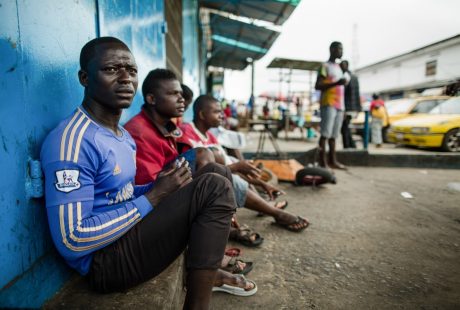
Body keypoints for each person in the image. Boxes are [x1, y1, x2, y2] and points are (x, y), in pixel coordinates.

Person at [40, 37, 238, 308]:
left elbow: (121, 196)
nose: (125, 79)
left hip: (129, 235)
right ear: (85, 78)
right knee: (213, 188)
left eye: (131, 71)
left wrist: (158, 187)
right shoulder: (72, 141)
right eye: (111, 70)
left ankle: (207, 268)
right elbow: (73, 239)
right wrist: (153, 197)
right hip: (105, 263)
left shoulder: (122, 136)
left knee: (214, 170)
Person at [124, 69, 257, 295]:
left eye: (182, 94)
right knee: (205, 159)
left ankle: (213, 253)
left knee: (214, 168)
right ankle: (208, 264)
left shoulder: (165, 125)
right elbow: (153, 189)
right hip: (148, 209)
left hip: (165, 193)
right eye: (174, 94)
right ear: (151, 99)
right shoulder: (139, 132)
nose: (182, 99)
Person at [177, 94, 310, 233]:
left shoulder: (209, 136)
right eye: (217, 112)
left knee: (233, 166)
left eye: (221, 111)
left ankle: (265, 205)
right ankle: (276, 213)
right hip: (196, 187)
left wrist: (261, 183)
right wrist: (236, 167)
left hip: (218, 178)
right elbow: (201, 173)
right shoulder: (187, 135)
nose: (222, 115)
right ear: (202, 114)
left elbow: (228, 168)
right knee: (228, 170)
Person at [315, 41, 347, 169]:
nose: (341, 52)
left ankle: (333, 161)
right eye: (339, 49)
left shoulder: (339, 68)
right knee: (325, 134)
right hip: (328, 103)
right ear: (332, 50)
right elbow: (318, 85)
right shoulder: (325, 66)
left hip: (340, 105)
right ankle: (323, 163)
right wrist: (336, 83)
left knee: (334, 136)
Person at [340, 60, 361, 149]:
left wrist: (343, 109)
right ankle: (351, 145)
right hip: (353, 107)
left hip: (347, 107)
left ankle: (348, 146)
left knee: (344, 128)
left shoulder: (345, 76)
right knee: (346, 127)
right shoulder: (354, 77)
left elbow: (343, 94)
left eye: (341, 66)